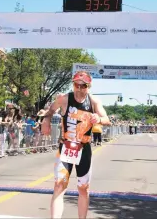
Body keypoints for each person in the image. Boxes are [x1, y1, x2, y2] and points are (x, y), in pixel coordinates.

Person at [41, 71, 111, 219]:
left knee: (83, 189)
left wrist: (98, 118)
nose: (79, 89)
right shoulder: (65, 99)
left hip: (83, 148)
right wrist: (46, 121)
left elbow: (107, 119)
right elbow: (51, 109)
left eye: (83, 86)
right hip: (66, 147)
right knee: (59, 186)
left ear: (88, 86)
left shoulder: (93, 102)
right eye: (76, 85)